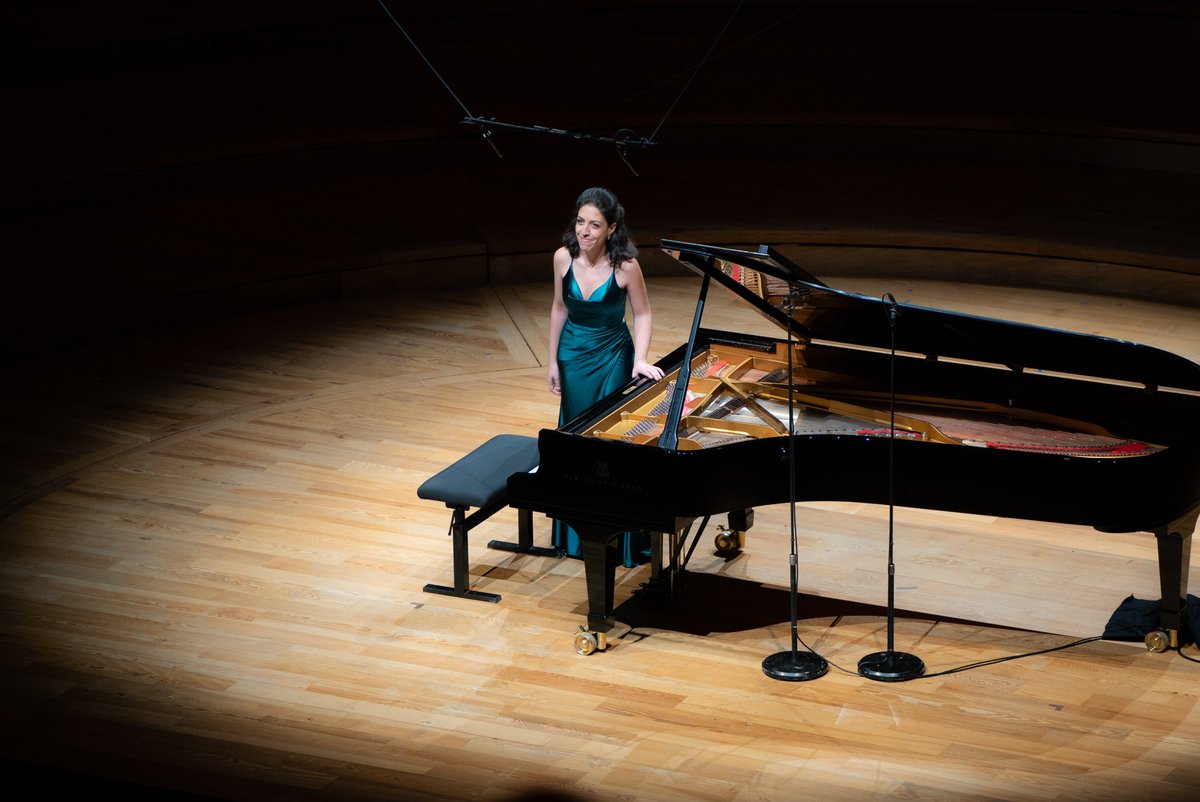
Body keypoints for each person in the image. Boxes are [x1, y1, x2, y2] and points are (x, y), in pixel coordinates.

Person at [547, 187, 664, 567]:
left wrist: (640, 360)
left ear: (611, 228)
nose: (584, 231)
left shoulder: (626, 265)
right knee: (576, 436)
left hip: (614, 354)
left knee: (612, 440)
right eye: (580, 222)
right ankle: (579, 534)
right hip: (572, 355)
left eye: (594, 225)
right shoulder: (562, 258)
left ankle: (620, 534)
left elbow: (643, 314)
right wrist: (551, 361)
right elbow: (559, 308)